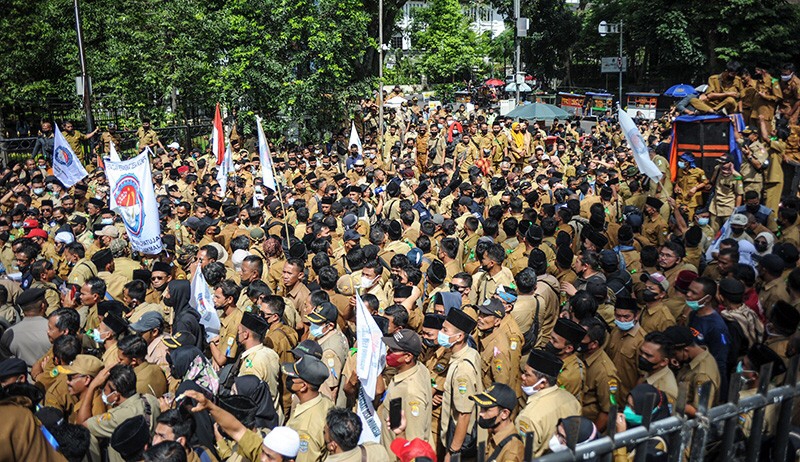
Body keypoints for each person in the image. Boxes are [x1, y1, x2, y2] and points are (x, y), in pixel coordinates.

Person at [83, 364, 161, 462]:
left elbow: (82, 423)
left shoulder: (116, 417)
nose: (103, 392)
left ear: (115, 396)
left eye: (105, 390)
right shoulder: (151, 400)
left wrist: (92, 386)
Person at [515, 348, 581, 458]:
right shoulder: (571, 400)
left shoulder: (528, 417)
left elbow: (522, 455)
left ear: (543, 383)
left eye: (527, 374)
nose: (522, 377)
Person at [378, 328, 432, 453]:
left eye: (393, 350)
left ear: (408, 357)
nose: (388, 353)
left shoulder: (410, 392)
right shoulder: (419, 368)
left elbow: (414, 442)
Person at [438, 308, 481, 461]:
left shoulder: (463, 369)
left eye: (445, 330)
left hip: (459, 438)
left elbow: (464, 414)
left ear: (460, 336)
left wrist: (453, 452)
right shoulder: (469, 352)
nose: (440, 333)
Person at [282, 355, 334, 462]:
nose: (288, 379)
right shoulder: (324, 401)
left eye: (293, 377)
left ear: (303, 386)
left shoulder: (306, 429)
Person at [663, 325, 721, 416]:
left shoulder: (702, 374)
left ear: (686, 350)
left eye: (675, 354)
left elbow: (700, 411)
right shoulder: (693, 358)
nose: (673, 357)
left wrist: (672, 404)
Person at [469, 383, 524, 462]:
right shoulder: (494, 431)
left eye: (486, 409)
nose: (480, 413)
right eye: (481, 408)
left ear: (504, 413)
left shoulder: (511, 451)